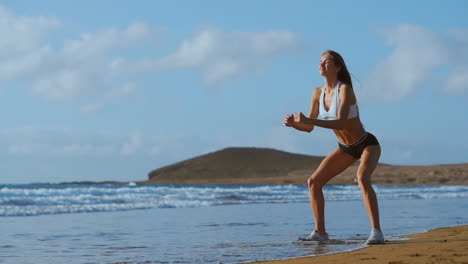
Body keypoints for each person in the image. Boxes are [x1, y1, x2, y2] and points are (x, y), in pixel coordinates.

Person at [283, 50, 385, 245]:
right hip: (345, 148)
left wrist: (308, 119)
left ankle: (377, 232)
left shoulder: (344, 89)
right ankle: (320, 232)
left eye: (327, 62)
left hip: (366, 144)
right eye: (320, 62)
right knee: (313, 182)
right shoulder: (317, 93)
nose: (321, 65)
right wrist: (295, 124)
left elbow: (341, 123)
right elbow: (309, 127)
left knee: (362, 178)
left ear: (338, 67)